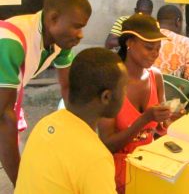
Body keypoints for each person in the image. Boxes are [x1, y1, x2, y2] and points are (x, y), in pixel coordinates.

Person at [0, 0, 91, 186]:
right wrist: (23, 184)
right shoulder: (11, 41)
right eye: (76, 26)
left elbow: (68, 90)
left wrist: (87, 138)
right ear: (53, 19)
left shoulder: (60, 44)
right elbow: (4, 117)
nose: (81, 34)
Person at [15, 48, 127, 194]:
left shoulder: (45, 123)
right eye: (124, 87)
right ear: (106, 97)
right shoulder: (95, 158)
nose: (126, 93)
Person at [98, 13, 172, 194]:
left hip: (150, 163)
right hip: (116, 171)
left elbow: (160, 128)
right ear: (129, 43)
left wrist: (168, 118)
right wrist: (145, 119)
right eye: (149, 47)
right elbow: (107, 144)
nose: (155, 53)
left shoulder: (155, 76)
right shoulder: (111, 81)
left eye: (158, 47)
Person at [153, 5, 189, 90]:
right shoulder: (185, 43)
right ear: (178, 21)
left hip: (147, 95)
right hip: (176, 99)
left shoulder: (145, 39)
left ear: (157, 22)